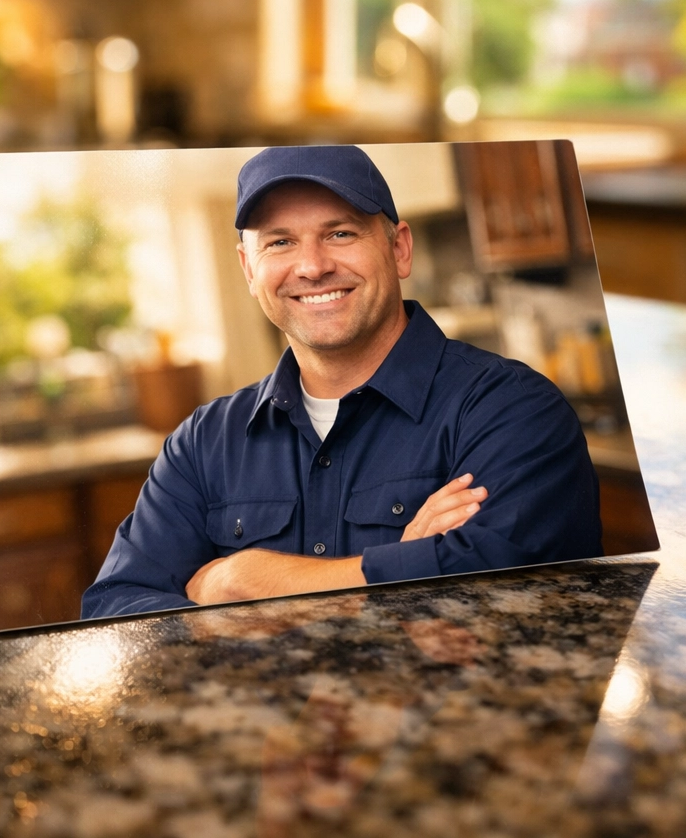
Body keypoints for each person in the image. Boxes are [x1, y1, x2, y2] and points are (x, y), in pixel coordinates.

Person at [81, 145, 602, 619]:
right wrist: (405, 568)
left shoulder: (512, 409)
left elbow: (506, 590)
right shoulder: (203, 442)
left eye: (340, 233)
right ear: (248, 268)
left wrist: (243, 584)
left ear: (398, 249)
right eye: (280, 242)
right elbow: (114, 610)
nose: (311, 266)